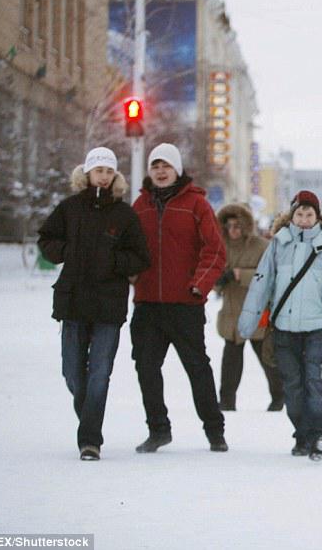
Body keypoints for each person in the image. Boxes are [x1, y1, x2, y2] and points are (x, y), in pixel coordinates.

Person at [37, 147, 150, 460]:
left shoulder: (124, 215)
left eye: (108, 170)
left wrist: (113, 259)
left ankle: (90, 440)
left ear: (115, 175)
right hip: (72, 302)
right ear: (86, 173)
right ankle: (90, 421)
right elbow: (46, 239)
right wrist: (65, 251)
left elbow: (141, 257)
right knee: (72, 374)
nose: (103, 175)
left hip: (108, 307)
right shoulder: (69, 208)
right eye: (98, 169)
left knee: (100, 373)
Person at [237, 190, 322, 461]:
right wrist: (247, 320)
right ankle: (303, 435)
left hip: (318, 327)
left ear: (318, 217)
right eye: (300, 214)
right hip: (284, 328)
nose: (304, 219)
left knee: (313, 379)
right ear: (291, 216)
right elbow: (261, 284)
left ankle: (321, 433)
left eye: (309, 214)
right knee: (292, 384)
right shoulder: (278, 245)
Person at [130, 143, 228, 453]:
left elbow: (215, 250)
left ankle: (215, 431)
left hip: (185, 304)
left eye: (166, 166)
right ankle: (158, 429)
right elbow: (126, 248)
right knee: (146, 368)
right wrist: (129, 273)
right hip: (147, 304)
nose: (160, 171)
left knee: (197, 368)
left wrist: (199, 285)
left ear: (177, 170)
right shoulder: (140, 206)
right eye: (155, 166)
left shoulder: (197, 204)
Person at [215, 203, 283, 412]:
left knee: (266, 356)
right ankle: (226, 401)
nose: (233, 230)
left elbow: (271, 275)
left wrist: (239, 275)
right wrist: (218, 280)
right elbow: (211, 273)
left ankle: (279, 397)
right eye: (229, 226)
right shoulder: (219, 246)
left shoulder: (261, 246)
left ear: (245, 226)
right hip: (232, 310)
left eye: (237, 225)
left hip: (258, 310)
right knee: (230, 362)